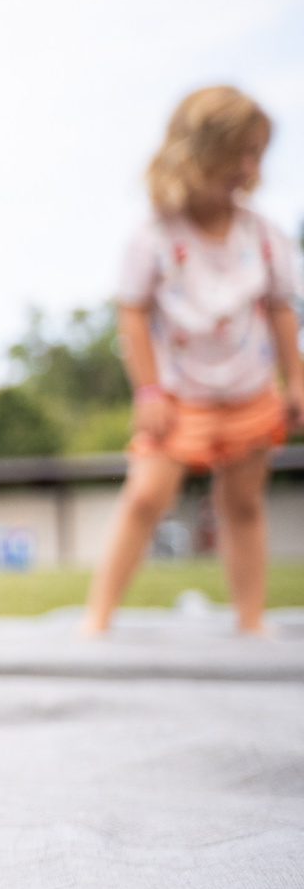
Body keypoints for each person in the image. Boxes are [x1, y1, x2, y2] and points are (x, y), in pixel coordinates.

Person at [85, 87, 300, 636]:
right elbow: (132, 314)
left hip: (249, 390)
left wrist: (295, 378)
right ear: (200, 151)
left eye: (257, 155)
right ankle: (97, 618)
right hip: (180, 396)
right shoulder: (154, 237)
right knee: (147, 496)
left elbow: (279, 309)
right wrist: (150, 391)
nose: (250, 168)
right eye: (240, 153)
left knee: (243, 504)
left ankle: (251, 622)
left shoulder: (264, 236)